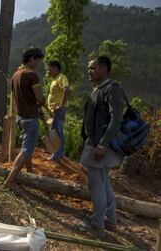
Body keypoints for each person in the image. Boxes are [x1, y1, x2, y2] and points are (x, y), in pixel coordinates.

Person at [79, 55, 125, 238]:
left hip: (101, 145)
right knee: (104, 183)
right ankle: (111, 221)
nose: (89, 71)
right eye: (89, 68)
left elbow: (116, 119)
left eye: (93, 68)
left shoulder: (112, 89)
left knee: (96, 184)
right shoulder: (99, 89)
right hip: (96, 143)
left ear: (105, 69)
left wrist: (103, 144)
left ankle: (97, 224)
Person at [3, 48, 45, 191]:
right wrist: (42, 102)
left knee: (28, 147)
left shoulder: (15, 75)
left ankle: (30, 173)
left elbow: (24, 97)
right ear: (32, 58)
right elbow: (39, 98)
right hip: (30, 118)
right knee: (27, 149)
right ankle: (10, 180)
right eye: (38, 60)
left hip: (21, 116)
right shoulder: (31, 74)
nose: (38, 63)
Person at [46, 60, 70, 162]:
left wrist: (61, 105)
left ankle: (57, 155)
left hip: (58, 111)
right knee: (54, 132)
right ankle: (56, 153)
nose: (48, 71)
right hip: (53, 111)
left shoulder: (61, 77)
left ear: (55, 68)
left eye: (49, 69)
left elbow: (67, 90)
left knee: (57, 132)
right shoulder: (55, 79)